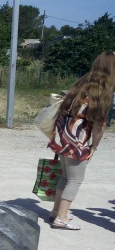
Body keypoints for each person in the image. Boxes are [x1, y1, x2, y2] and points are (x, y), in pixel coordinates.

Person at [46, 51, 115, 230]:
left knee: (65, 176)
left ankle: (55, 212)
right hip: (76, 141)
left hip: (62, 137)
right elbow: (100, 125)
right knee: (75, 180)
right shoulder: (101, 91)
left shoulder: (82, 82)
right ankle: (61, 218)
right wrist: (94, 147)